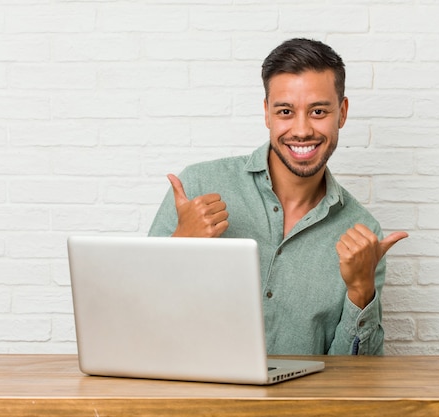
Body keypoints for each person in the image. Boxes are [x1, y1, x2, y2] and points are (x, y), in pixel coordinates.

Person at [148, 38, 408, 355]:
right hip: (194, 400)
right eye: (285, 111)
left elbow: (356, 379)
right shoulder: (197, 186)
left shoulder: (363, 233)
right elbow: (136, 316)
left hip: (300, 405)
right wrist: (179, 245)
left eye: (318, 111)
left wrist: (360, 290)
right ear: (267, 114)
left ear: (342, 113)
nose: (301, 130)